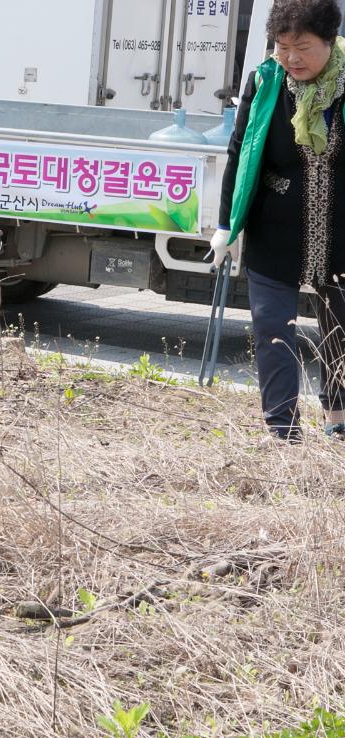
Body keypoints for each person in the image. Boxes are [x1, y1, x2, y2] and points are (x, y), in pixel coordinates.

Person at [214, 0, 345, 441]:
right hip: (274, 231)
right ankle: (282, 430)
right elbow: (241, 151)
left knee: (341, 331)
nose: (291, 58)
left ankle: (338, 420)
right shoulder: (265, 81)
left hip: (341, 233)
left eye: (303, 46)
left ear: (330, 41)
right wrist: (224, 224)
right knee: (272, 329)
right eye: (282, 47)